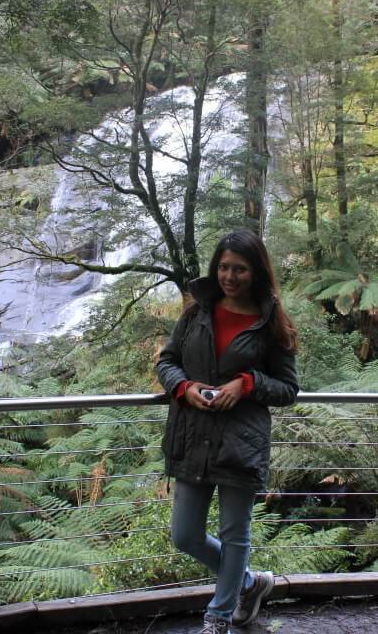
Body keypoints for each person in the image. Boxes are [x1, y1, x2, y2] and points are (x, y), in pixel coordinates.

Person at [156, 230, 299, 634]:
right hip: (191, 434)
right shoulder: (195, 313)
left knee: (234, 533)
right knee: (185, 535)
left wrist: (248, 384)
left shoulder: (271, 323)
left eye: (239, 268)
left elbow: (288, 388)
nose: (229, 276)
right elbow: (167, 362)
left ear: (256, 272)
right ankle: (251, 583)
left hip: (241, 441)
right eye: (223, 266)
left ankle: (218, 616)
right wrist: (184, 388)